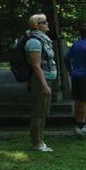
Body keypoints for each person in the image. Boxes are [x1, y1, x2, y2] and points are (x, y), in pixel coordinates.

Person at [26, 13, 57, 152]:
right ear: (37, 25)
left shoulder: (43, 40)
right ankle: (37, 143)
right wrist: (44, 85)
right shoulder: (34, 42)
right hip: (40, 81)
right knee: (39, 112)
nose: (47, 24)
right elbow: (36, 66)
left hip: (46, 79)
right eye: (44, 22)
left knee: (44, 111)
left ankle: (40, 140)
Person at [64, 23, 86, 136]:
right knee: (84, 101)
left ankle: (77, 124)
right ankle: (82, 125)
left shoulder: (75, 44)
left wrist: (70, 70)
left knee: (77, 100)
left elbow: (66, 58)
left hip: (75, 76)